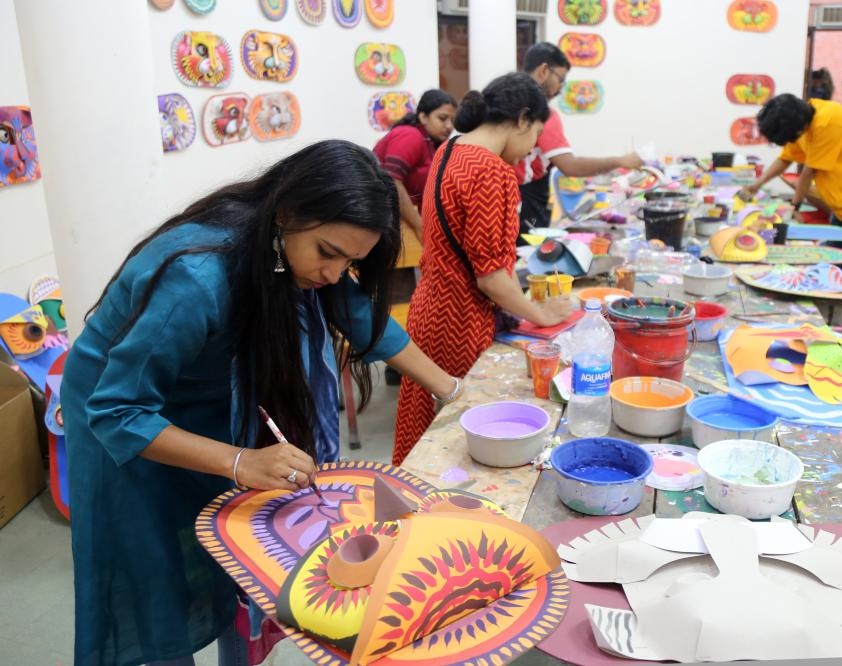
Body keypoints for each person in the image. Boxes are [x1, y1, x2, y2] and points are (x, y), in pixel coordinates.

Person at [62, 140, 460, 666]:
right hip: (122, 410)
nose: (335, 274)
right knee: (155, 568)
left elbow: (360, 317)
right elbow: (119, 412)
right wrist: (239, 460)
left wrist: (451, 390)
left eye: (352, 261)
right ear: (287, 213)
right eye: (328, 253)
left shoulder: (304, 253)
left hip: (214, 395)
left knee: (240, 550)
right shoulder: (197, 276)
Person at [393, 73, 574, 465]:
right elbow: (490, 276)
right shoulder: (492, 170)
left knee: (427, 434)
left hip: (428, 310)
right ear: (523, 119)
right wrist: (540, 313)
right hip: (462, 321)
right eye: (535, 137)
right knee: (465, 440)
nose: (530, 152)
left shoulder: (449, 149)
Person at [739, 94, 842, 335]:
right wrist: (758, 184)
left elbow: (808, 173)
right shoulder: (803, 122)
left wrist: (793, 207)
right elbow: (785, 159)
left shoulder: (828, 123)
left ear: (793, 129)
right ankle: (825, 320)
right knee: (830, 261)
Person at [516, 42, 643, 238]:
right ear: (543, 70)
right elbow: (570, 166)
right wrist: (621, 161)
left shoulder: (515, 104)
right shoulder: (543, 114)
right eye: (561, 79)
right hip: (523, 200)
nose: (560, 89)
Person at [373, 89, 457, 240]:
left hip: (400, 225)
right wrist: (419, 226)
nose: (449, 126)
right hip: (381, 222)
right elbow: (391, 181)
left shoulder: (431, 144)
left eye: (452, 120)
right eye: (443, 118)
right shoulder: (411, 135)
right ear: (423, 117)